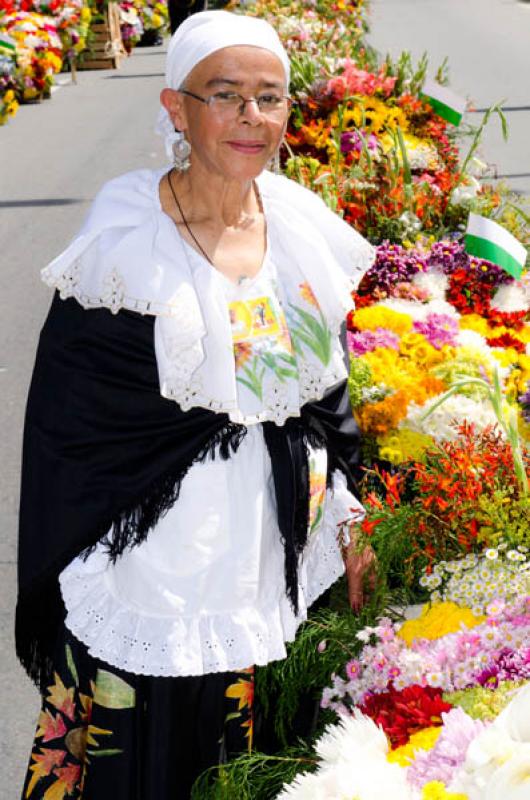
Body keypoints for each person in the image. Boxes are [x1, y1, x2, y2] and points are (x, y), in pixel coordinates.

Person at [16, 10, 376, 799]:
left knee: (252, 767)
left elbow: (325, 402)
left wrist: (350, 516)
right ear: (177, 109)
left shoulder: (298, 231)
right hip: (154, 568)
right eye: (227, 95)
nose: (252, 117)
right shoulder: (127, 244)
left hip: (268, 561)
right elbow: (75, 426)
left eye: (270, 97)